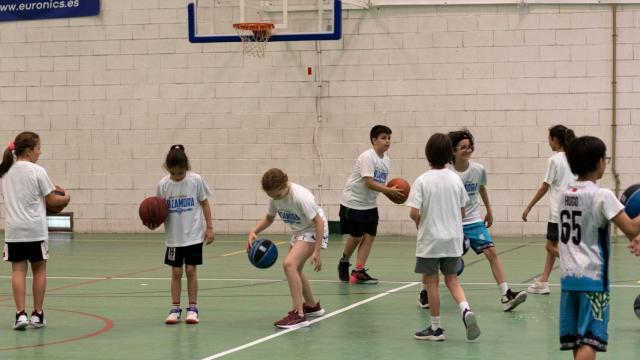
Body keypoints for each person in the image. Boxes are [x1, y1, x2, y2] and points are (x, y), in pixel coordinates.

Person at [418, 130, 526, 311]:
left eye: (470, 147)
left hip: (473, 220)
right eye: (463, 147)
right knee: (433, 258)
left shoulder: (478, 169)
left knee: (491, 251)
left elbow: (481, 188)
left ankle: (506, 294)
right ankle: (424, 292)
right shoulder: (448, 174)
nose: (468, 150)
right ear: (453, 151)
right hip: (452, 221)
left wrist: (489, 211)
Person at [558, 136, 640, 359]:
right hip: (593, 280)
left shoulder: (564, 193)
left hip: (568, 278)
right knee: (591, 340)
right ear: (598, 162)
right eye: (606, 158)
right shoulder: (601, 195)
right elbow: (631, 228)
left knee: (578, 339)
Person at [408, 133, 480, 342]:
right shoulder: (455, 179)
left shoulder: (422, 181)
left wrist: (419, 221)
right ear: (449, 154)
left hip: (431, 240)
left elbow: (414, 213)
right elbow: (462, 212)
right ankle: (465, 310)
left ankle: (436, 328)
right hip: (452, 239)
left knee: (432, 283)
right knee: (452, 280)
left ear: (427, 154)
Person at [0, 132, 70, 330]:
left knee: (17, 270)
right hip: (35, 230)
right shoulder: (38, 171)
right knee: (39, 270)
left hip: (14, 230)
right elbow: (52, 200)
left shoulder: (5, 171)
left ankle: (20, 314)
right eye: (38, 148)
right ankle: (37, 314)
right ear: (29, 151)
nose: (41, 152)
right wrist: (66, 198)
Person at [248, 168, 328, 329]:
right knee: (295, 269)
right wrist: (253, 231)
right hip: (300, 231)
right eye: (271, 196)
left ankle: (298, 315)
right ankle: (312, 306)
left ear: (285, 184)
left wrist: (317, 251)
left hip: (314, 229)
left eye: (277, 195)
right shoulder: (274, 197)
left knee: (289, 264)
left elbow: (319, 222)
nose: (274, 198)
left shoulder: (300, 196)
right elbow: (269, 218)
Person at [147, 145, 214, 325]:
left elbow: (205, 204)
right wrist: (154, 222)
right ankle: (175, 308)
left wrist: (210, 228)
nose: (177, 176)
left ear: (187, 167)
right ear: (168, 169)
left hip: (193, 235)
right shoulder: (163, 185)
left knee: (191, 271)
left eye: (180, 173)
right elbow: (159, 210)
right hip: (173, 238)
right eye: (174, 173)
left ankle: (193, 309)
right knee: (176, 272)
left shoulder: (195, 180)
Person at [337, 125, 404, 284]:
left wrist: (391, 193)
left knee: (369, 237)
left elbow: (378, 183)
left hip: (369, 204)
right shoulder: (367, 157)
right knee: (356, 237)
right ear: (374, 140)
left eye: (389, 138)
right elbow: (368, 182)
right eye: (383, 138)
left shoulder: (386, 160)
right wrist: (388, 191)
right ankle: (344, 261)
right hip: (353, 203)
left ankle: (359, 271)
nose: (387, 141)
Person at [522, 125, 576, 295]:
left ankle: (578, 265)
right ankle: (544, 281)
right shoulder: (573, 158)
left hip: (557, 211)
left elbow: (545, 187)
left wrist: (529, 206)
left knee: (550, 247)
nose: (548, 143)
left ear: (555, 140)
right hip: (572, 209)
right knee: (553, 246)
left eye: (549, 139)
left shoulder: (554, 160)